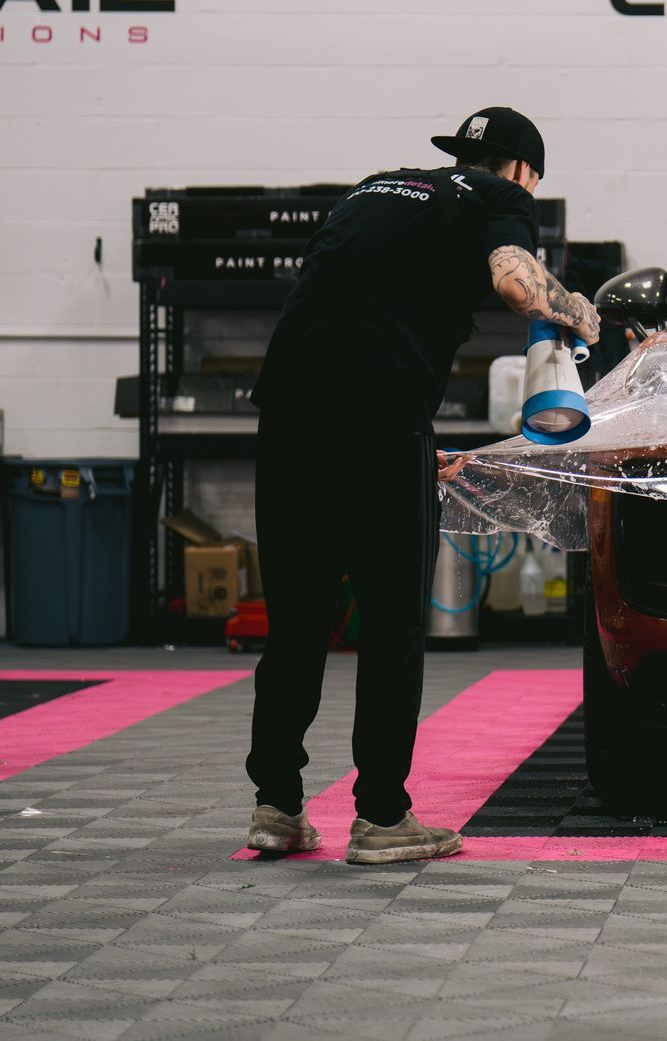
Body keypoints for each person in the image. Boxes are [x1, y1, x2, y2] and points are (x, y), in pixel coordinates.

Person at [243, 107, 599, 864]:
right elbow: (515, 282)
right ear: (525, 171)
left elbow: (350, 304)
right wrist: (574, 312)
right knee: (392, 623)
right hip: (378, 419)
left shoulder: (372, 189)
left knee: (299, 621)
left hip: (288, 413)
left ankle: (274, 808)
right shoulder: (503, 200)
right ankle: (380, 818)